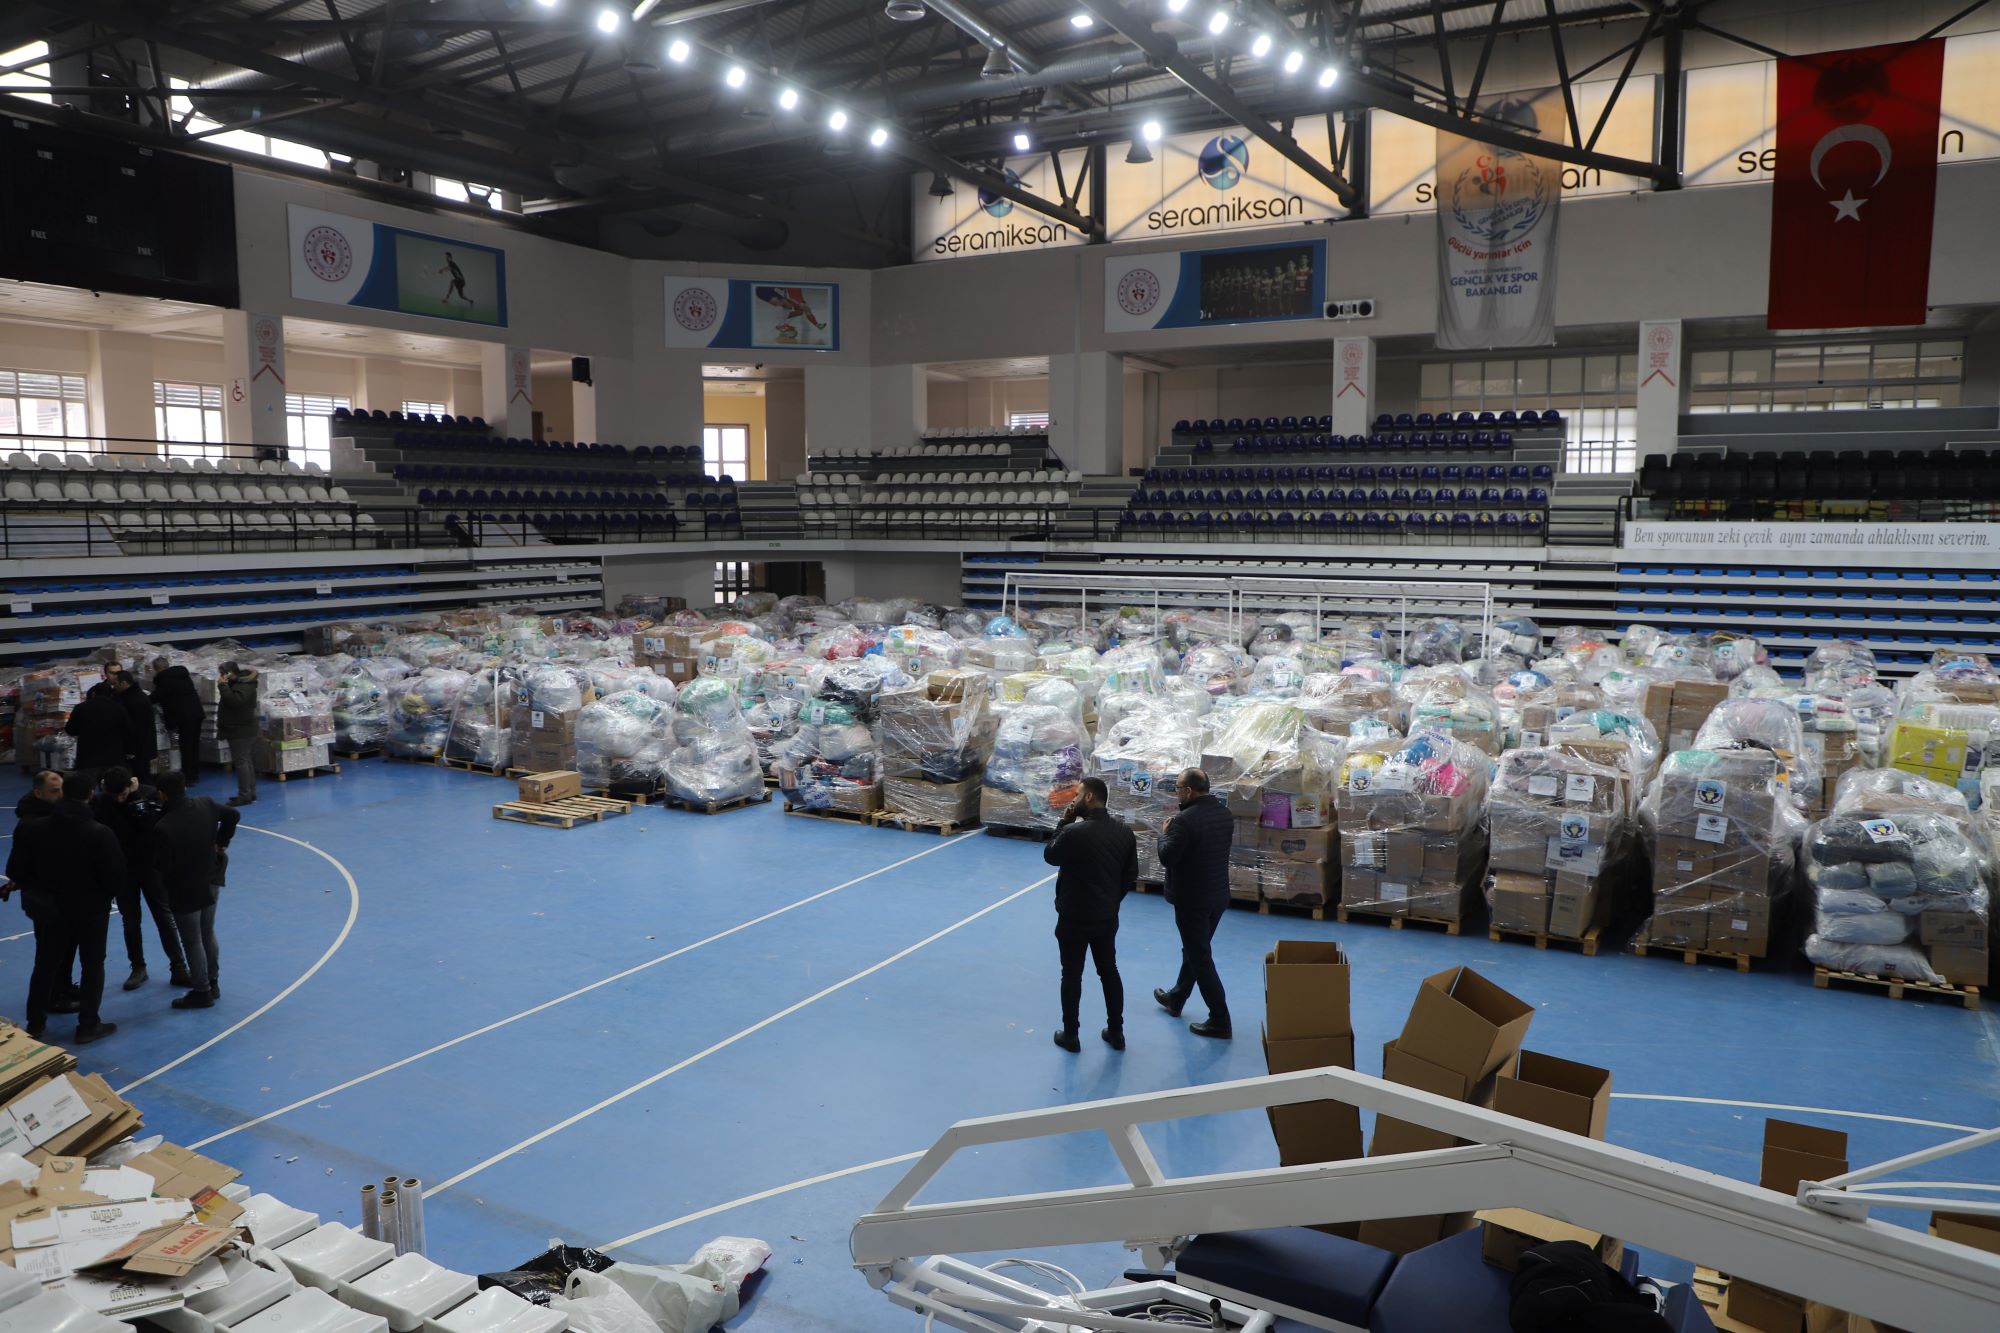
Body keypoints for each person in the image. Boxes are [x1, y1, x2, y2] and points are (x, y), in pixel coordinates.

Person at [14, 773, 123, 1042]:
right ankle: (88, 1025)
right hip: (91, 911)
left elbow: (15, 870)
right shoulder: (100, 833)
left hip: (51, 910)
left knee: (45, 965)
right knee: (92, 966)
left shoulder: (35, 829)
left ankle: (36, 1023)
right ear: (89, 796)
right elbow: (116, 879)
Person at [1041, 777, 1138, 1053]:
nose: (1073, 798)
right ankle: (1116, 1032)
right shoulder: (1124, 833)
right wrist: (1111, 901)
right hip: (1106, 917)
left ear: (1089, 798)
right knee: (1109, 971)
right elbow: (1130, 876)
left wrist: (1064, 821)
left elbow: (1050, 855)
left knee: (1071, 975)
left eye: (1078, 793)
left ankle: (1071, 1035)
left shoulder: (1075, 833)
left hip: (1073, 917)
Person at [91, 766, 188, 992]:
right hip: (122, 872)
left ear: (131, 785)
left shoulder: (149, 795)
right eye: (114, 795)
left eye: (123, 794)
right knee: (131, 921)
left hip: (150, 867)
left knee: (164, 916)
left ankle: (179, 966)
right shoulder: (102, 803)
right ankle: (138, 967)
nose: (119, 799)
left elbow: (155, 828)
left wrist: (136, 799)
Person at [1153, 767, 1233, 1039]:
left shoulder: (1184, 821)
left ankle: (1220, 1019)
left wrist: (1164, 834)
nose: (1177, 792)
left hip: (1192, 900)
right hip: (1218, 896)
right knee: (1195, 950)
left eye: (1177, 788)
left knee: (1200, 958)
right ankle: (1177, 998)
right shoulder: (1224, 814)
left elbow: (1168, 857)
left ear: (1188, 790)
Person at [152, 770, 238, 1010]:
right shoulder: (206, 804)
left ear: (162, 794)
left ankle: (202, 991)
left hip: (185, 887)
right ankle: (213, 982)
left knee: (192, 940)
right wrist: (221, 843)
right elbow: (232, 815)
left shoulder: (164, 826)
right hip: (210, 876)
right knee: (207, 931)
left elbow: (162, 866)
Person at [4, 770, 81, 1025]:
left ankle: (63, 989)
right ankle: (38, 1016)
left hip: (63, 899)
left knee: (66, 950)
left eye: (61, 790)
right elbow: (16, 868)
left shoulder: (50, 818)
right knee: (47, 958)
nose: (60, 795)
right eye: (54, 791)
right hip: (47, 902)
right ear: (39, 793)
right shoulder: (31, 826)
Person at [150, 656, 206, 783]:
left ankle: (188, 776)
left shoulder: (164, 679)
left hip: (183, 717)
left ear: (157, 669)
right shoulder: (182, 675)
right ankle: (194, 773)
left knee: (185, 746)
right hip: (196, 713)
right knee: (194, 745)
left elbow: (156, 697)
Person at [64, 680, 132, 781]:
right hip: (113, 758)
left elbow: (70, 730)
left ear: (94, 693)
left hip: (88, 759)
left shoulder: (81, 708)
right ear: (111, 695)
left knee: (85, 789)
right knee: (113, 788)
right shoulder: (119, 709)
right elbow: (128, 731)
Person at [215, 662, 260, 806]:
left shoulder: (244, 685)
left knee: (241, 762)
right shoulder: (240, 684)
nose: (221, 677)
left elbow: (235, 701)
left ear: (230, 673)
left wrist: (223, 686)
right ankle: (249, 792)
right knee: (245, 761)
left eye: (223, 673)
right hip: (239, 728)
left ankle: (245, 794)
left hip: (241, 730)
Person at [111, 669, 158, 773]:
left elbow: (136, 728)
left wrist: (130, 750)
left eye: (115, 684)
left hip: (138, 750)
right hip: (141, 748)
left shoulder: (134, 701)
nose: (114, 687)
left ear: (123, 683)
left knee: (141, 776)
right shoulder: (135, 696)